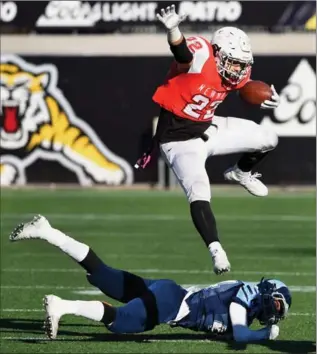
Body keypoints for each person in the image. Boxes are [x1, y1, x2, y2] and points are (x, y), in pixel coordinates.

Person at [135, 5, 280, 275]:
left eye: (242, 64)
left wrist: (265, 97)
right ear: (218, 53)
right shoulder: (201, 53)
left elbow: (244, 89)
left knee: (268, 137)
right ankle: (216, 249)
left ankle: (241, 173)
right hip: (178, 141)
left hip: (209, 127)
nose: (238, 70)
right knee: (199, 192)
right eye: (234, 62)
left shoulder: (234, 71)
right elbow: (182, 54)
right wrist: (174, 31)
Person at [9, 215, 291, 342]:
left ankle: (48, 231)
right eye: (277, 305)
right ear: (266, 291)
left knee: (103, 274)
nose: (274, 312)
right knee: (120, 323)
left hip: (168, 293)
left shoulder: (248, 309)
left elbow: (232, 332)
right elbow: (240, 335)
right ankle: (61, 305)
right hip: (172, 302)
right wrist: (264, 335)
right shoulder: (243, 294)